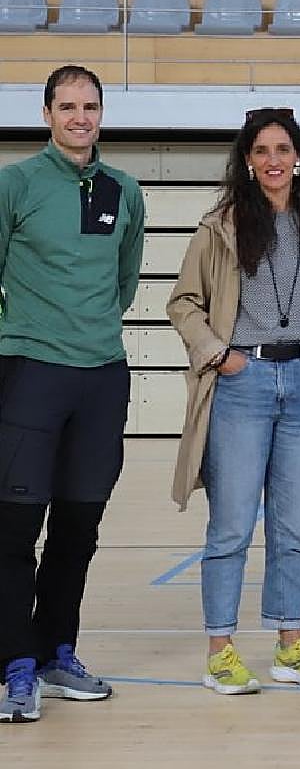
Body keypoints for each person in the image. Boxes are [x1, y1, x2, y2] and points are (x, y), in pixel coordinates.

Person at [167, 107, 300, 695]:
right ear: (247, 160)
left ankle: (290, 645)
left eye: (283, 149)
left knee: (293, 529)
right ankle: (221, 650)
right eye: (262, 150)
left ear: (298, 158)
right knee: (231, 528)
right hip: (242, 386)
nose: (274, 160)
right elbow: (184, 303)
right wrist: (223, 357)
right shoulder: (219, 225)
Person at [0, 66, 144, 724]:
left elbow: (124, 280)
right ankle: (15, 665)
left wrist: (86, 335)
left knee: (78, 529)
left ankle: (58, 651)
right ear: (47, 113)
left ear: (101, 113)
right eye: (67, 106)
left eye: (89, 106)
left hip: (102, 378)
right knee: (14, 529)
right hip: (29, 372)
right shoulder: (16, 184)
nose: (79, 117)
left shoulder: (124, 190)